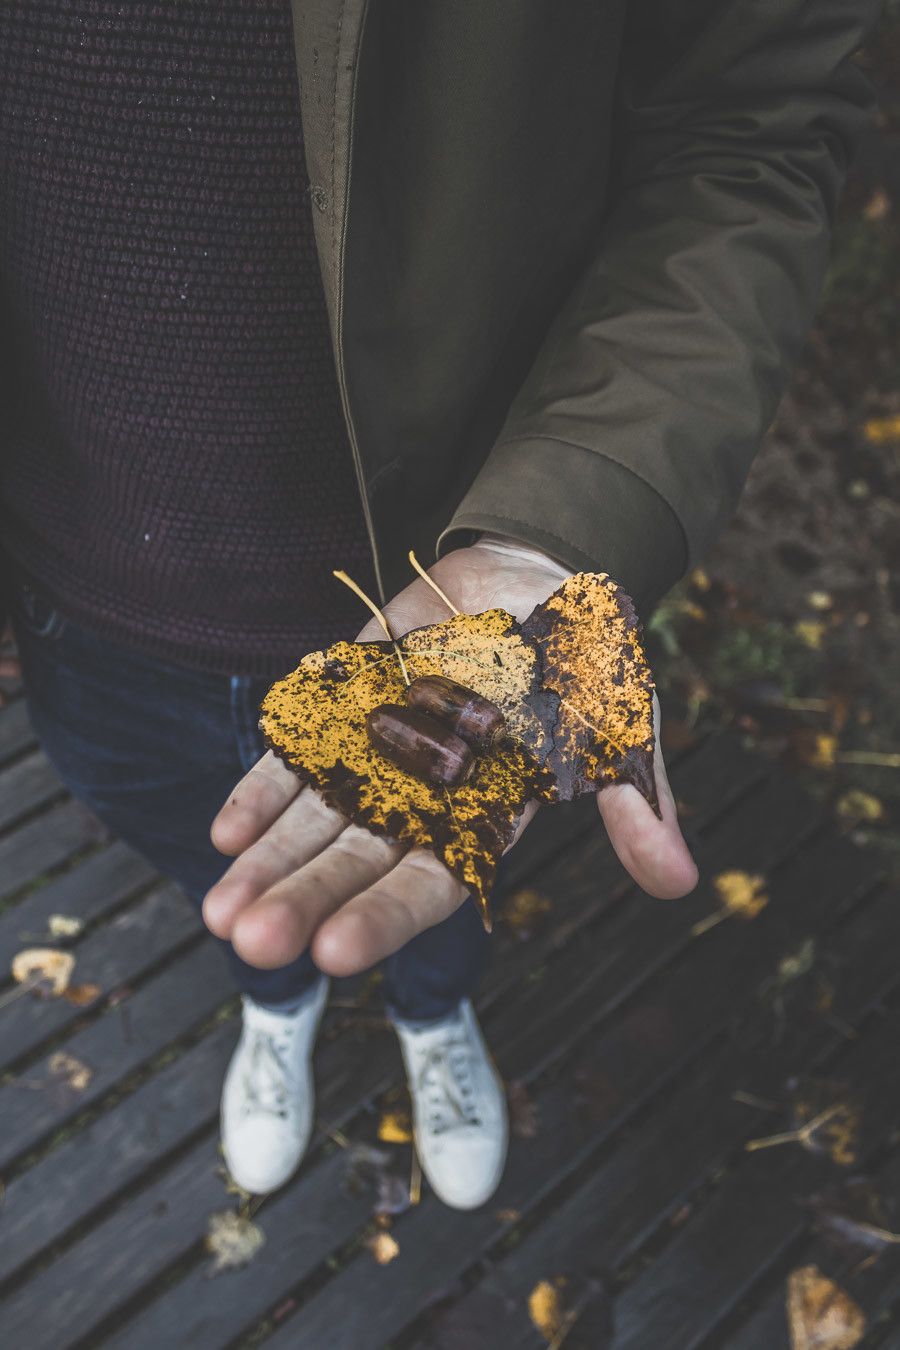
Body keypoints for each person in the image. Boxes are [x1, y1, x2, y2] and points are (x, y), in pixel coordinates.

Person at [0, 2, 875, 1209]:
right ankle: (276, 1000)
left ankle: (434, 1009)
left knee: (432, 886)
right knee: (211, 867)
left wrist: (558, 522)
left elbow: (749, 126)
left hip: (442, 549)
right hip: (82, 603)